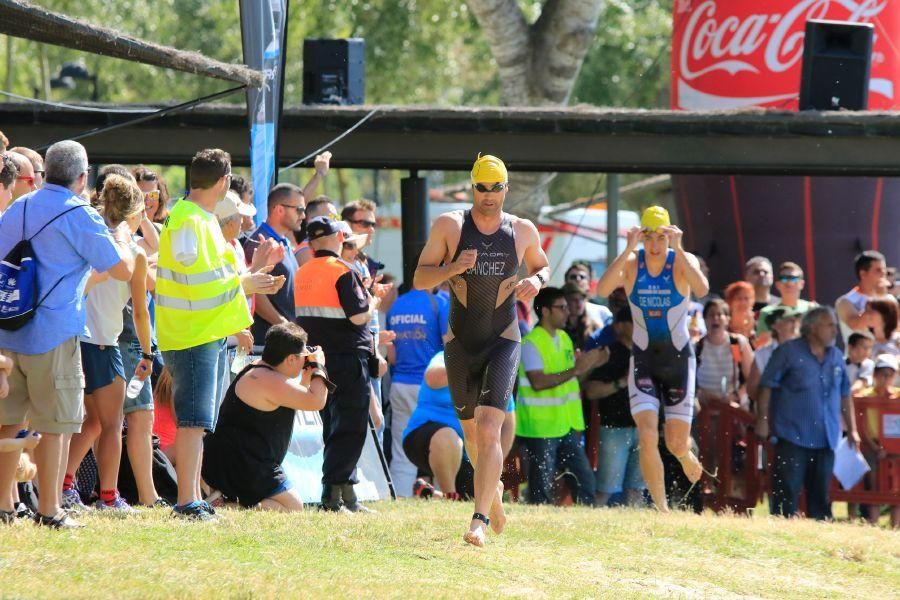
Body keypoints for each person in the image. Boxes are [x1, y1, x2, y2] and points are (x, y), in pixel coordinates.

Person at [414, 153, 550, 546]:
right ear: (471, 186)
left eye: (496, 188)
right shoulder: (450, 225)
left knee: (491, 430)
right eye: (481, 187)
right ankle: (493, 499)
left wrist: (537, 282)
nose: (488, 196)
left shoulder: (522, 230)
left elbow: (542, 266)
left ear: (506, 188)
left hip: (503, 340)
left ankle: (478, 520)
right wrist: (453, 268)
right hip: (460, 344)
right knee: (473, 437)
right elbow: (421, 277)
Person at [0, 140, 135, 528]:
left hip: (9, 331)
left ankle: (4, 507)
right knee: (56, 425)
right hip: (53, 333)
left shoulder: (19, 206)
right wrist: (123, 239)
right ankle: (50, 509)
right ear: (82, 176)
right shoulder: (79, 213)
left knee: (8, 423)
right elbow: (121, 269)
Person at [156, 148, 280, 521]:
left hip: (198, 331)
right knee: (194, 423)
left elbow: (204, 278)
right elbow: (197, 281)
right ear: (224, 182)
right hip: (191, 333)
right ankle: (187, 502)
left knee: (197, 423)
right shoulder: (191, 220)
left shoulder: (196, 217)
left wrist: (251, 277)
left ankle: (192, 497)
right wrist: (247, 281)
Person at [595, 205, 709, 513]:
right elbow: (602, 288)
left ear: (670, 235)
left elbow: (702, 288)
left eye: (662, 237)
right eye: (650, 238)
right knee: (646, 434)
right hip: (644, 358)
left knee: (675, 443)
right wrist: (629, 248)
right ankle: (662, 509)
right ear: (642, 237)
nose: (656, 245)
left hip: (678, 363)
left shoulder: (681, 262)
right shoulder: (633, 263)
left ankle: (685, 455)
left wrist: (680, 248)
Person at [61, 174, 152, 512]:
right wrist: (148, 352)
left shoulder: (86, 237)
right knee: (113, 424)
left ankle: (64, 484)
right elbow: (141, 314)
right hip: (102, 343)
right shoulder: (134, 252)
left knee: (90, 422)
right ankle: (108, 498)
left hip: (74, 338)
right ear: (134, 213)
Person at [295, 216, 385, 513]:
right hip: (347, 358)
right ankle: (333, 497)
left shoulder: (303, 271)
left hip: (317, 359)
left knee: (333, 426)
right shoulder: (342, 271)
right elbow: (359, 316)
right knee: (351, 427)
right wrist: (373, 298)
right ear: (336, 238)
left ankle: (346, 496)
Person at [202, 323, 329, 511]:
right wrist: (319, 367)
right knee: (293, 508)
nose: (306, 360)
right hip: (241, 462)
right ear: (291, 359)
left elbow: (296, 398)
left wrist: (307, 374)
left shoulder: (262, 370)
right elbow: (316, 402)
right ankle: (228, 505)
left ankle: (226, 500)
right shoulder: (267, 380)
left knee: (290, 506)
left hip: (240, 458)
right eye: (303, 357)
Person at [756, 307, 861, 520]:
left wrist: (853, 429)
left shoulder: (836, 356)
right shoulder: (788, 352)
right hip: (792, 436)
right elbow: (766, 386)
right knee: (785, 498)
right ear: (812, 328)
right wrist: (763, 421)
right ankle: (780, 540)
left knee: (821, 501)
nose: (835, 331)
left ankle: (820, 541)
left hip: (826, 438)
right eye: (829, 325)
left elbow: (845, 393)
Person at [517, 287, 604, 506]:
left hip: (565, 425)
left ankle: (589, 520)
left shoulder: (564, 338)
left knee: (584, 480)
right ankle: (536, 522)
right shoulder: (531, 342)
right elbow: (538, 382)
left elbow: (570, 379)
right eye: (561, 307)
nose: (568, 312)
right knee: (541, 487)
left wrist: (593, 364)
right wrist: (576, 370)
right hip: (540, 428)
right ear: (545, 311)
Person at [384, 284, 449, 497]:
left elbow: (391, 357)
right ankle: (447, 495)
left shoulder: (396, 305)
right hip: (431, 387)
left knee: (401, 452)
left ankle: (400, 497)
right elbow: (451, 345)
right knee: (445, 443)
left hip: (400, 383)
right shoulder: (440, 303)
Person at [583, 306, 646, 507]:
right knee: (605, 491)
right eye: (634, 321)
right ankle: (591, 527)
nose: (640, 326)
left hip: (645, 428)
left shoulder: (648, 354)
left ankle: (638, 533)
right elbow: (591, 390)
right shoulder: (608, 353)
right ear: (620, 326)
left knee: (637, 489)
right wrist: (621, 382)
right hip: (614, 428)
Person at [244, 183, 304, 354]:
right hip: (266, 346)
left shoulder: (284, 242)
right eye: (299, 209)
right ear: (279, 209)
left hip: (283, 343)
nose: (303, 215)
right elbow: (254, 291)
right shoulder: (260, 242)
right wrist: (284, 324)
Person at [856, 353, 900, 528]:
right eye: (882, 373)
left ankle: (896, 527)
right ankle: (873, 524)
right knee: (874, 482)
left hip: (896, 449)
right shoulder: (864, 397)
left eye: (890, 374)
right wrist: (876, 447)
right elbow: (863, 427)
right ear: (874, 374)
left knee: (897, 486)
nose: (886, 378)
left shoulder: (898, 396)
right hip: (872, 447)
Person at [695, 299, 754, 411]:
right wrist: (700, 393)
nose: (715, 318)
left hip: (733, 406)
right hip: (704, 407)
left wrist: (735, 397)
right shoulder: (697, 346)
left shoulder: (738, 343)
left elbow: (750, 379)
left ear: (727, 319)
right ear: (705, 319)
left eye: (719, 314)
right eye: (711, 314)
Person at [747, 307, 801, 402]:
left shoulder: (804, 352)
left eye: (795, 320)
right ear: (776, 325)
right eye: (790, 320)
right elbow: (752, 389)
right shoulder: (762, 354)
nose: (794, 324)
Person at [836, 250, 889, 345]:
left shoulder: (888, 298)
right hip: (859, 358)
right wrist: (879, 300)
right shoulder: (845, 302)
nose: (883, 274)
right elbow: (855, 325)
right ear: (863, 274)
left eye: (884, 270)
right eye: (878, 270)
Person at [756, 262, 816, 344]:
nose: (789, 283)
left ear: (802, 284)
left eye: (793, 278)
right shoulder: (767, 313)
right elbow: (762, 347)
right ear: (777, 285)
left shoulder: (813, 309)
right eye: (784, 278)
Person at [295, 195, 339, 266]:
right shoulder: (305, 251)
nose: (336, 221)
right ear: (311, 220)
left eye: (336, 217)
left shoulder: (329, 245)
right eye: (331, 217)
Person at [564, 261, 611, 325]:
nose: (578, 279)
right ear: (566, 282)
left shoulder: (602, 312)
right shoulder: (559, 310)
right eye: (573, 277)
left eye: (582, 277)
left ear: (589, 283)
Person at [562, 281, 605, 349]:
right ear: (565, 302)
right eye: (574, 299)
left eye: (581, 298)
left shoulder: (594, 325)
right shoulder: (557, 326)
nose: (579, 303)